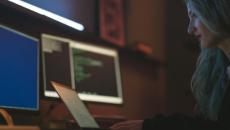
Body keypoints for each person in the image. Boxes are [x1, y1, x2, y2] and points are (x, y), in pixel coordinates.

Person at [110, 0, 230, 129]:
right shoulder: (220, 68)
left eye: (194, 15)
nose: (190, 29)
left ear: (217, 11)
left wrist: (151, 126)